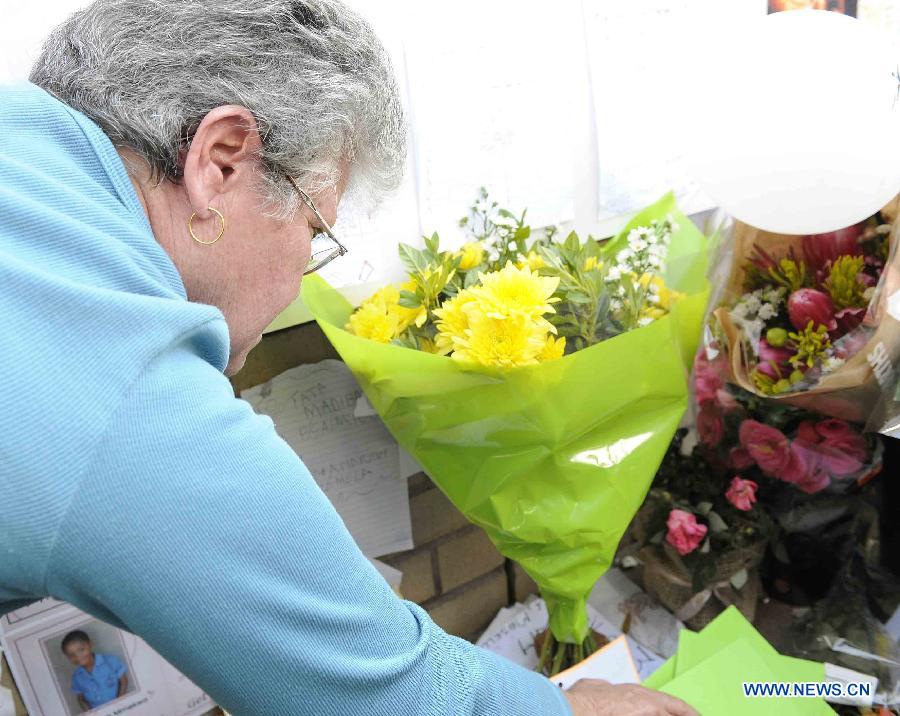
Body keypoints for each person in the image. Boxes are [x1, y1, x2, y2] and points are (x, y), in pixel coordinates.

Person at [0, 2, 698, 714]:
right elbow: (382, 696)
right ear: (220, 162)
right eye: (315, 228)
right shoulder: (128, 388)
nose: (306, 266)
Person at [61, 630, 129, 712]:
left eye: (81, 650)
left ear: (90, 645)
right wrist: (90, 712)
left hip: (120, 707)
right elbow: (81, 698)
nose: (78, 656)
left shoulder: (110, 660)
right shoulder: (76, 677)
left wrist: (119, 704)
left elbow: (124, 681)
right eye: (71, 655)